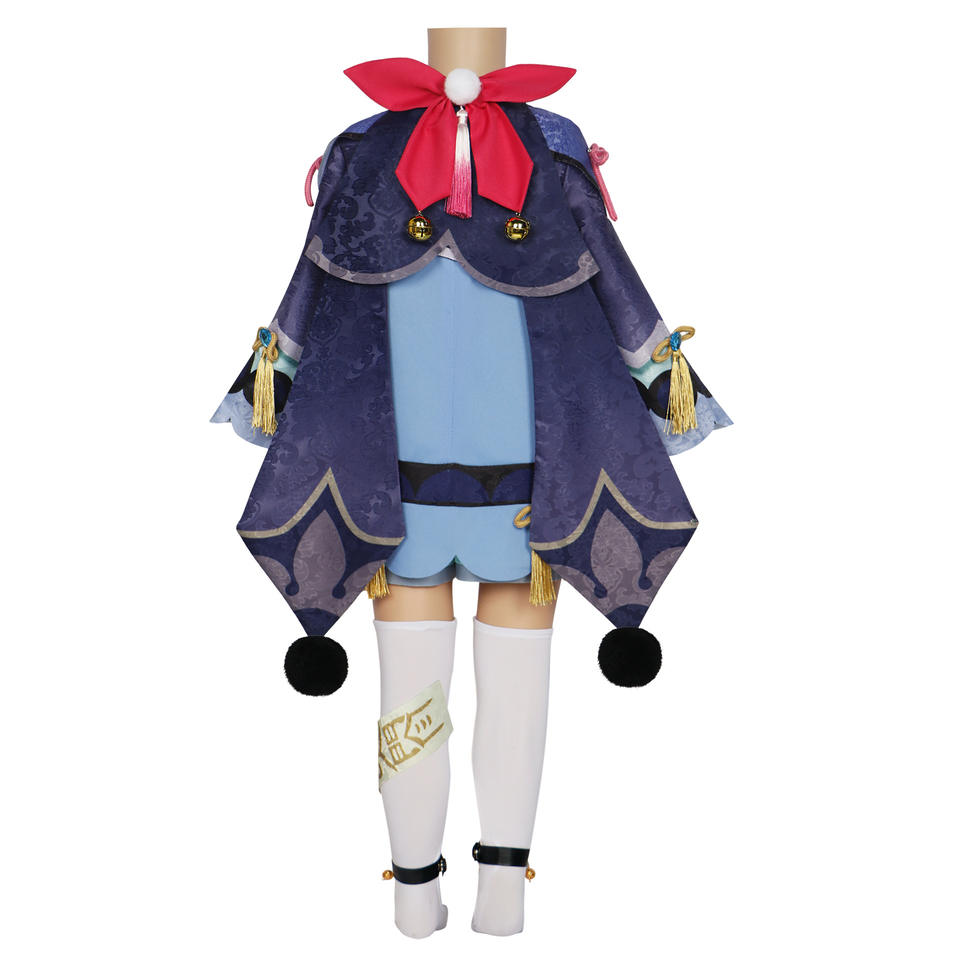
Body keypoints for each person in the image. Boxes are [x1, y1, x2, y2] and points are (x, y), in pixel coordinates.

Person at [212, 29, 730, 939]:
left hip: (414, 482)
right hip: (503, 480)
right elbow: (617, 287)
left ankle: (428, 895)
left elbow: (307, 294)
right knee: (501, 683)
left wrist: (272, 388)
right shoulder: (536, 150)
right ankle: (486, 891)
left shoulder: (373, 151)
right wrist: (665, 387)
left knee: (420, 685)